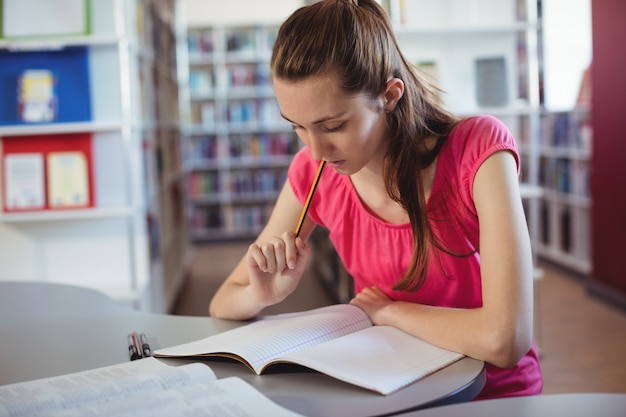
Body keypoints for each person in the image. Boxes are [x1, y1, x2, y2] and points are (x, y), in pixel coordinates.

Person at [209, 0, 543, 400]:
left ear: (389, 94)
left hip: (486, 397)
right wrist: (262, 296)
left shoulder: (479, 150)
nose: (315, 151)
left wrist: (388, 312)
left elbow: (505, 340)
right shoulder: (315, 172)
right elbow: (223, 301)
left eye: (332, 126)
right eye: (298, 127)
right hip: (389, 389)